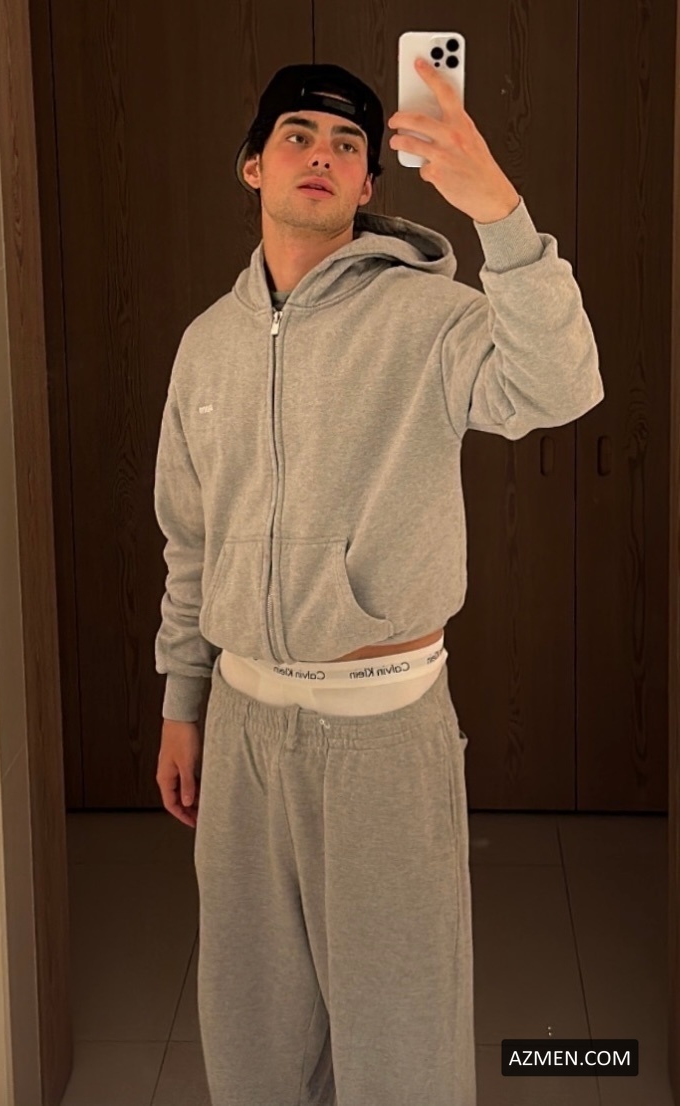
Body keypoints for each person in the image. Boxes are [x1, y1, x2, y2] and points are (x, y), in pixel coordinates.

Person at [153, 62, 604, 1106]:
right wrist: (183, 699)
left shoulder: (427, 317)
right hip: (243, 732)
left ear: (366, 184)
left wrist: (498, 210)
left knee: (401, 1052)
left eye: (346, 143)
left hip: (382, 735)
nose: (321, 154)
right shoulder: (206, 346)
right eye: (298, 134)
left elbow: (560, 383)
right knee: (252, 1042)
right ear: (253, 166)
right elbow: (188, 540)